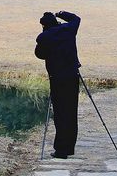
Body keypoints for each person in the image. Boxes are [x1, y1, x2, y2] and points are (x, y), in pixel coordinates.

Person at [35, 10, 80, 159]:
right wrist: (61, 13)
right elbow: (76, 18)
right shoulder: (68, 29)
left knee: (60, 114)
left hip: (57, 79)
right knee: (71, 112)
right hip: (72, 76)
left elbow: (39, 54)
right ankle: (69, 148)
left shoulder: (44, 37)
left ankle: (61, 150)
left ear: (43, 25)